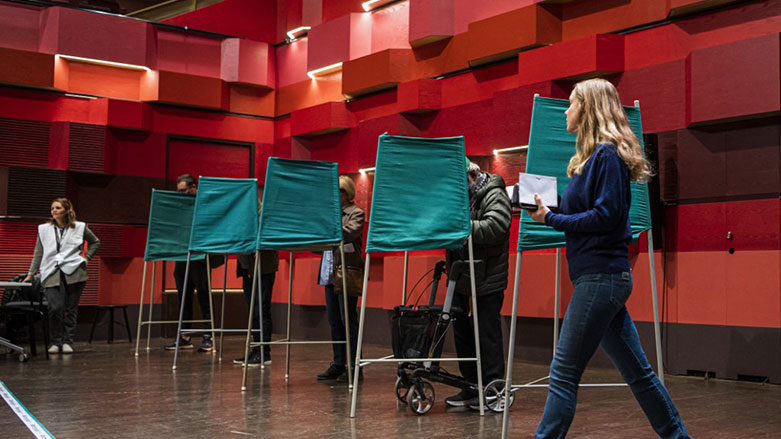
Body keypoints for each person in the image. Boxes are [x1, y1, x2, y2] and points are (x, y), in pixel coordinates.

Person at [528, 78, 690, 438]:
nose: (566, 111)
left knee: (563, 372)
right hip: (601, 279)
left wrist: (551, 219)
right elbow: (591, 211)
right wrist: (546, 207)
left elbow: (607, 216)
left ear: (588, 108)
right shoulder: (592, 160)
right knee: (639, 373)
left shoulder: (606, 155)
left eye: (571, 103)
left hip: (602, 278)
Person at [444, 161, 512, 410]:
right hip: (461, 274)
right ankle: (471, 386)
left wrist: (460, 228)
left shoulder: (494, 192)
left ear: (472, 175)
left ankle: (494, 389)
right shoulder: (463, 196)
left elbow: (497, 227)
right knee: (462, 333)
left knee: (487, 334)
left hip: (487, 276)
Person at [25, 198, 100, 354]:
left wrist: (86, 257)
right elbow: (38, 252)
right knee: (55, 308)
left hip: (75, 272)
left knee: (70, 309)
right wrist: (31, 273)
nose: (54, 210)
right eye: (52, 208)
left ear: (66, 210)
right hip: (51, 272)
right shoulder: (44, 229)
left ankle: (67, 341)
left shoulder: (79, 227)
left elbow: (95, 242)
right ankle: (56, 341)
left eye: (58, 208)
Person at [316, 175, 365, 383]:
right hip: (328, 274)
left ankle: (355, 366)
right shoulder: (331, 215)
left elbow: (348, 233)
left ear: (346, 193)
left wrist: (328, 222)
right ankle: (338, 364)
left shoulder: (356, 213)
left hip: (346, 274)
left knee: (348, 322)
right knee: (334, 322)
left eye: (339, 192)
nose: (335, 196)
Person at [165, 174, 214, 352]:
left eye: (184, 191)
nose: (181, 195)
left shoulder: (204, 205)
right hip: (182, 257)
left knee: (204, 298)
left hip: (200, 257)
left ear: (194, 187)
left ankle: (208, 337)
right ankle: (184, 337)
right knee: (183, 298)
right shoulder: (179, 208)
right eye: (179, 191)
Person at [234, 201, 279, 367]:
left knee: (262, 309)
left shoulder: (264, 214)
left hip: (263, 267)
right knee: (253, 311)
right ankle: (255, 348)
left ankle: (264, 352)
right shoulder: (245, 215)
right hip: (247, 267)